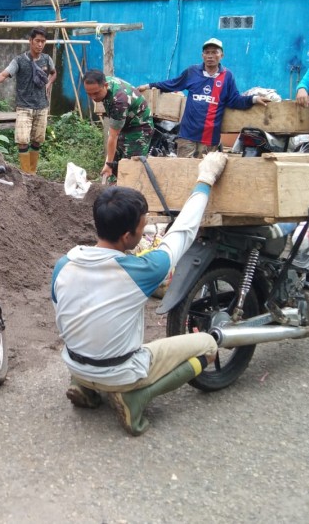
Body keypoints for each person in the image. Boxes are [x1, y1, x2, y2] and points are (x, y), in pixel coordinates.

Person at [51, 152, 228, 435]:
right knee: (207, 345)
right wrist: (205, 179)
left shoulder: (64, 265)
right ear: (127, 236)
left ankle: (84, 386)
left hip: (76, 364)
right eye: (142, 226)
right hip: (121, 372)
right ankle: (135, 397)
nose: (144, 228)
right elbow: (183, 231)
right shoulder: (141, 270)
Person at [140, 38, 268, 158]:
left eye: (214, 52)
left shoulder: (227, 76)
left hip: (210, 138)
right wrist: (149, 85)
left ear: (221, 55)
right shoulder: (192, 72)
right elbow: (173, 84)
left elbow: (235, 100)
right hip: (187, 135)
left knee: (204, 173)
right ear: (203, 56)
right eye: (207, 52)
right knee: (184, 171)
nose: (210, 56)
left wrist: (254, 99)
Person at [0, 27, 56, 174]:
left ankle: (33, 173)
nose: (40, 44)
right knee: (22, 141)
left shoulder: (47, 59)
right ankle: (26, 174)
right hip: (24, 107)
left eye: (43, 42)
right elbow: (3, 75)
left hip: (42, 106)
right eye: (37, 41)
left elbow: (53, 73)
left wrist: (49, 83)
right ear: (30, 41)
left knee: (37, 140)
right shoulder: (19, 60)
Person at [82, 69, 154, 181]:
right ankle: (112, 185)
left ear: (105, 85)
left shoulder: (119, 100)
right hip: (125, 123)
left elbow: (113, 136)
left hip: (139, 127)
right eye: (89, 94)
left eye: (96, 93)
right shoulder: (105, 82)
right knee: (115, 163)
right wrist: (109, 163)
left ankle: (128, 191)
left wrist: (109, 164)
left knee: (131, 167)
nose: (93, 97)